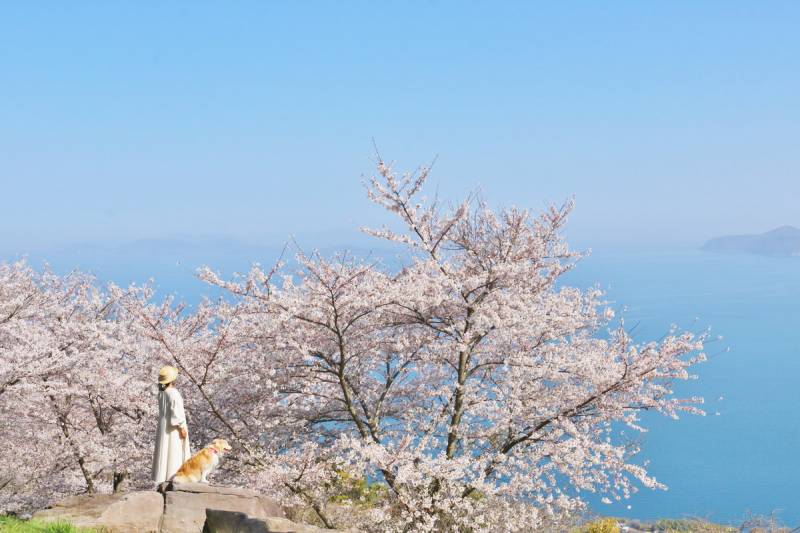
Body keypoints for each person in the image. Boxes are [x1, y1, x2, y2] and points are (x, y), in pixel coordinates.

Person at [152, 365, 192, 483]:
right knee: (174, 450)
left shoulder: (161, 394)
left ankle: (163, 477)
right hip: (174, 428)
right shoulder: (173, 393)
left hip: (164, 427)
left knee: (165, 450)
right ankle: (173, 476)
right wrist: (181, 428)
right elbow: (176, 413)